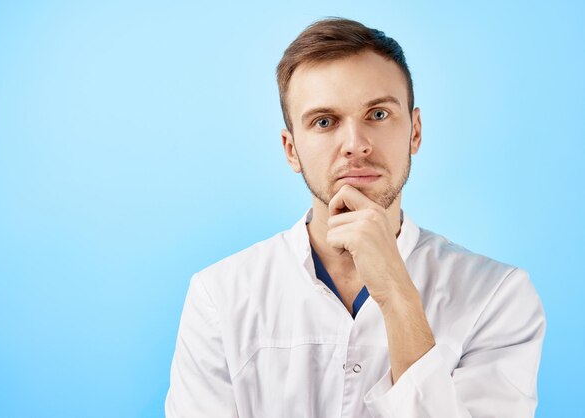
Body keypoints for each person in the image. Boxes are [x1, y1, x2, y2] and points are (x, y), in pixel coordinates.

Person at [165, 17, 546, 418]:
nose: (356, 145)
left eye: (378, 115)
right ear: (291, 149)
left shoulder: (498, 296)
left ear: (415, 131)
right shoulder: (220, 295)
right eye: (324, 122)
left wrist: (397, 295)